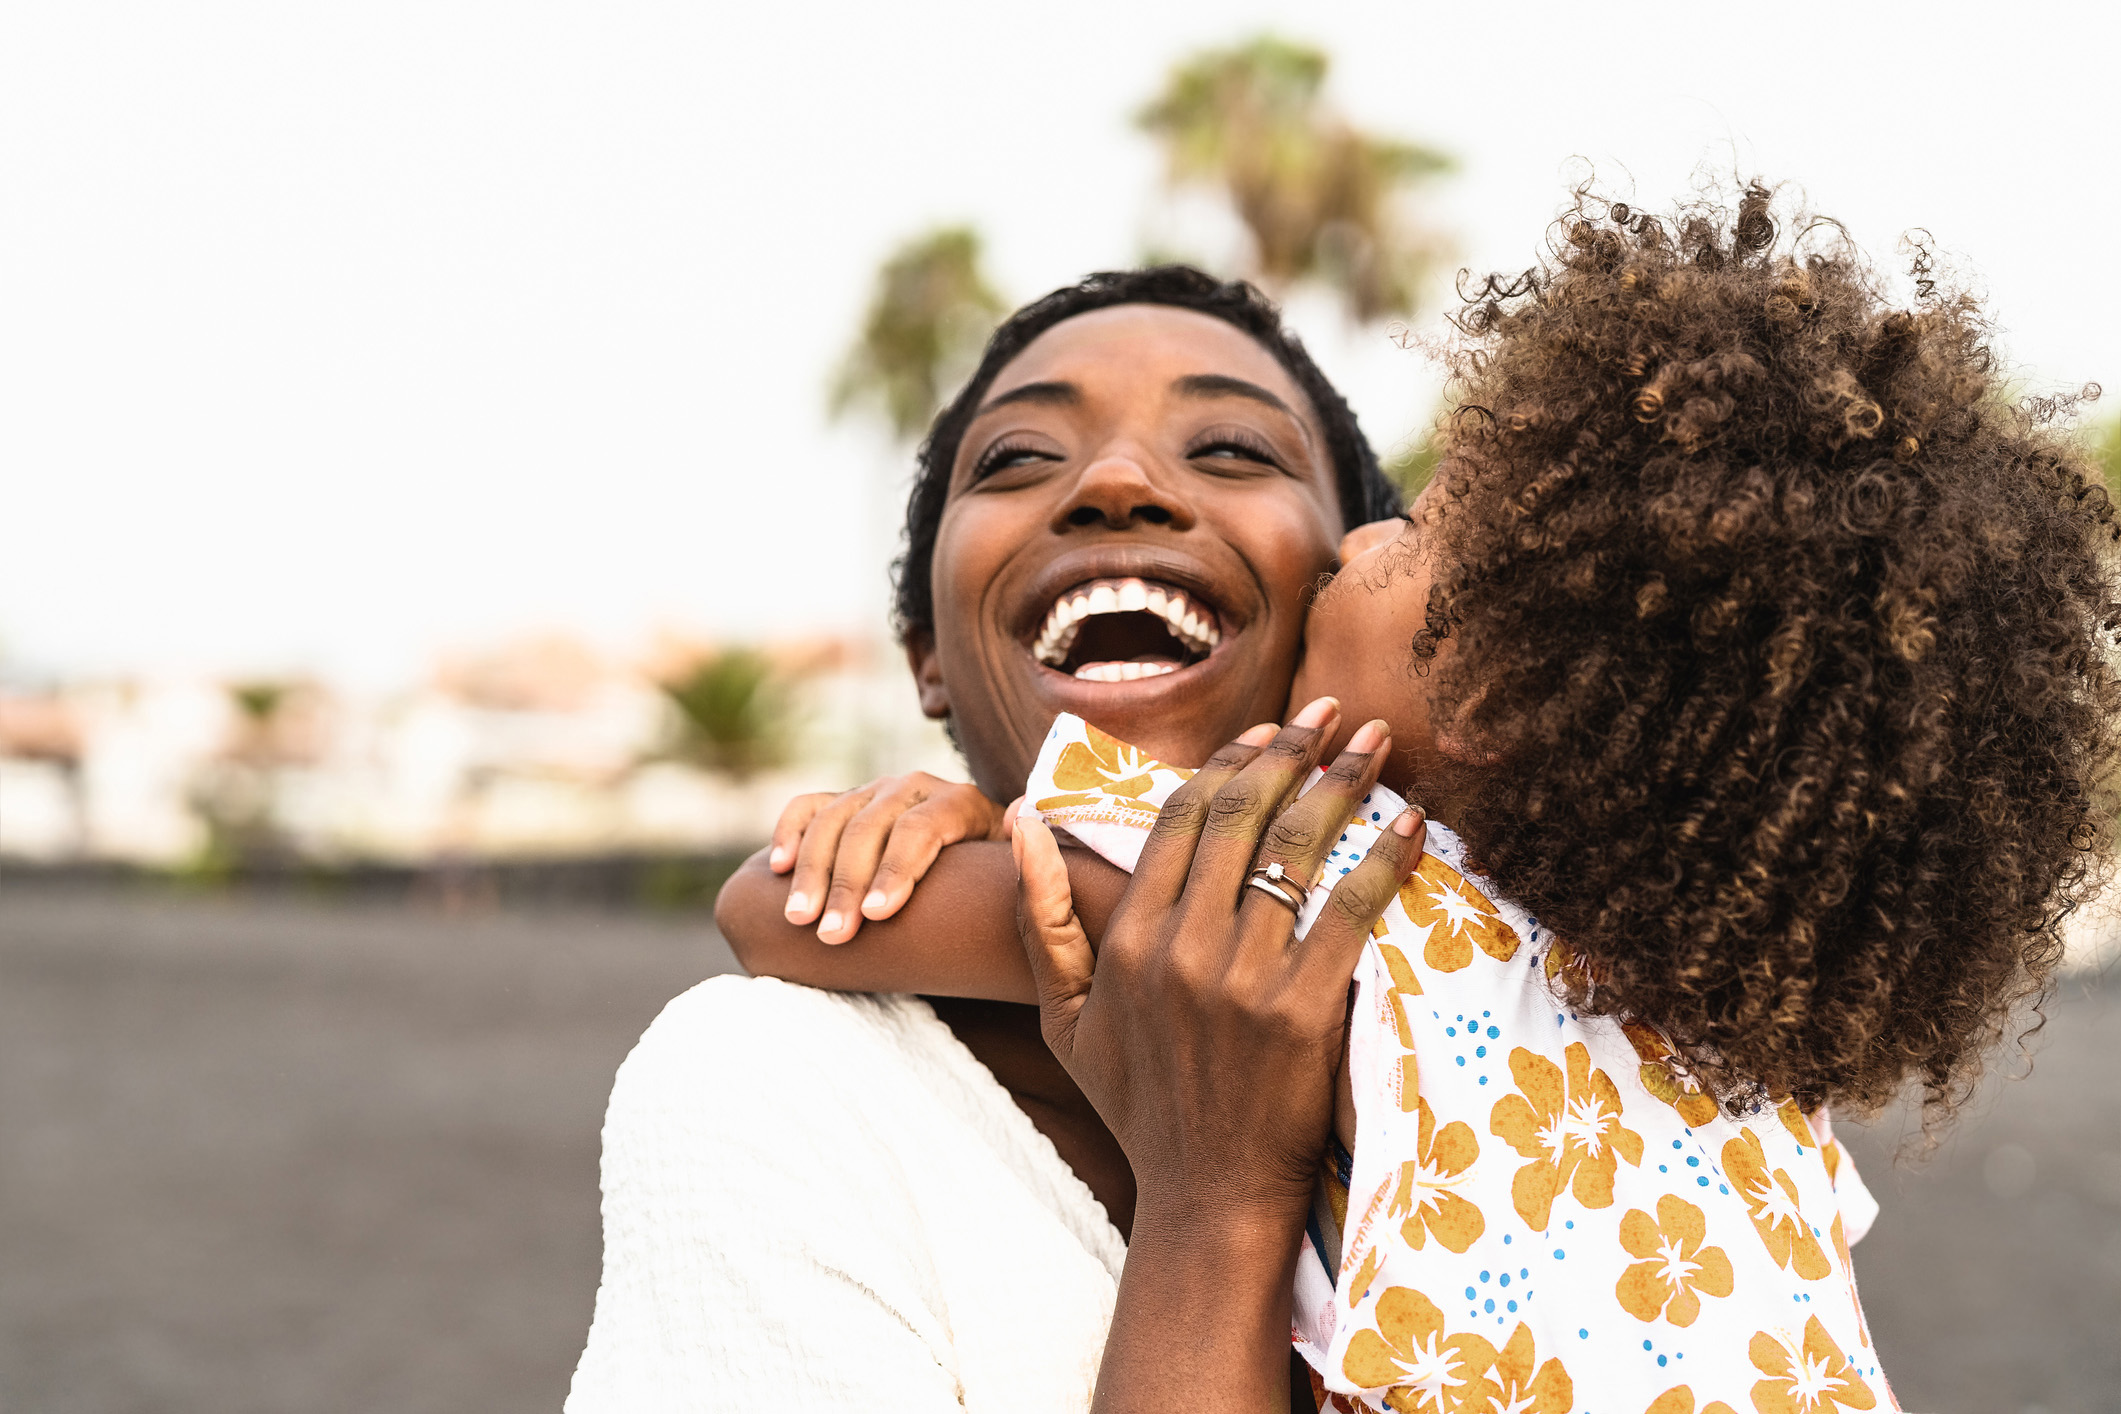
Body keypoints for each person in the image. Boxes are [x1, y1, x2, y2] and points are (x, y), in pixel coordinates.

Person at [728, 182, 2121, 1410]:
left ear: (1510, 697)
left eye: (1426, 532)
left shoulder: (1340, 895)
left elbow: (791, 910)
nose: (1371, 532)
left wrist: (966, 818)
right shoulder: (1741, 1084)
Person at [565, 266, 1403, 1412]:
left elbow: (762, 902)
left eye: (1232, 450)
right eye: (1016, 458)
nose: (1117, 481)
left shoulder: (1577, 985)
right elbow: (772, 902)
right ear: (927, 657)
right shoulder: (779, 1087)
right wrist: (1217, 1202)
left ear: (1353, 582)